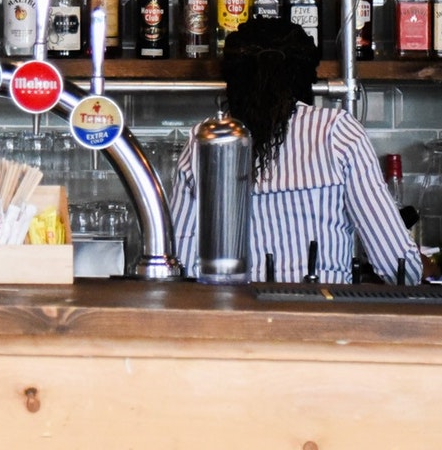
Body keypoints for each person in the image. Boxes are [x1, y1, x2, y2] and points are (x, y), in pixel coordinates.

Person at [169, 18, 422, 284]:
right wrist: (421, 266)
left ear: (233, 79)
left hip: (233, 319)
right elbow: (399, 268)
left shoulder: (204, 140)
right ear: (304, 77)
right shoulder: (337, 132)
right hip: (320, 320)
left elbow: (179, 265)